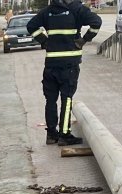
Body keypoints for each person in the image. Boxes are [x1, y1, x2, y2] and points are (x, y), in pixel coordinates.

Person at [26, 0, 102, 146]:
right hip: (69, 64)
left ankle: (51, 135)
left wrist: (44, 41)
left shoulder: (48, 11)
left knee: (50, 100)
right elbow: (96, 22)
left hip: (51, 64)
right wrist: (84, 40)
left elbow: (31, 26)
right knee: (66, 99)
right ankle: (64, 134)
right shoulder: (77, 9)